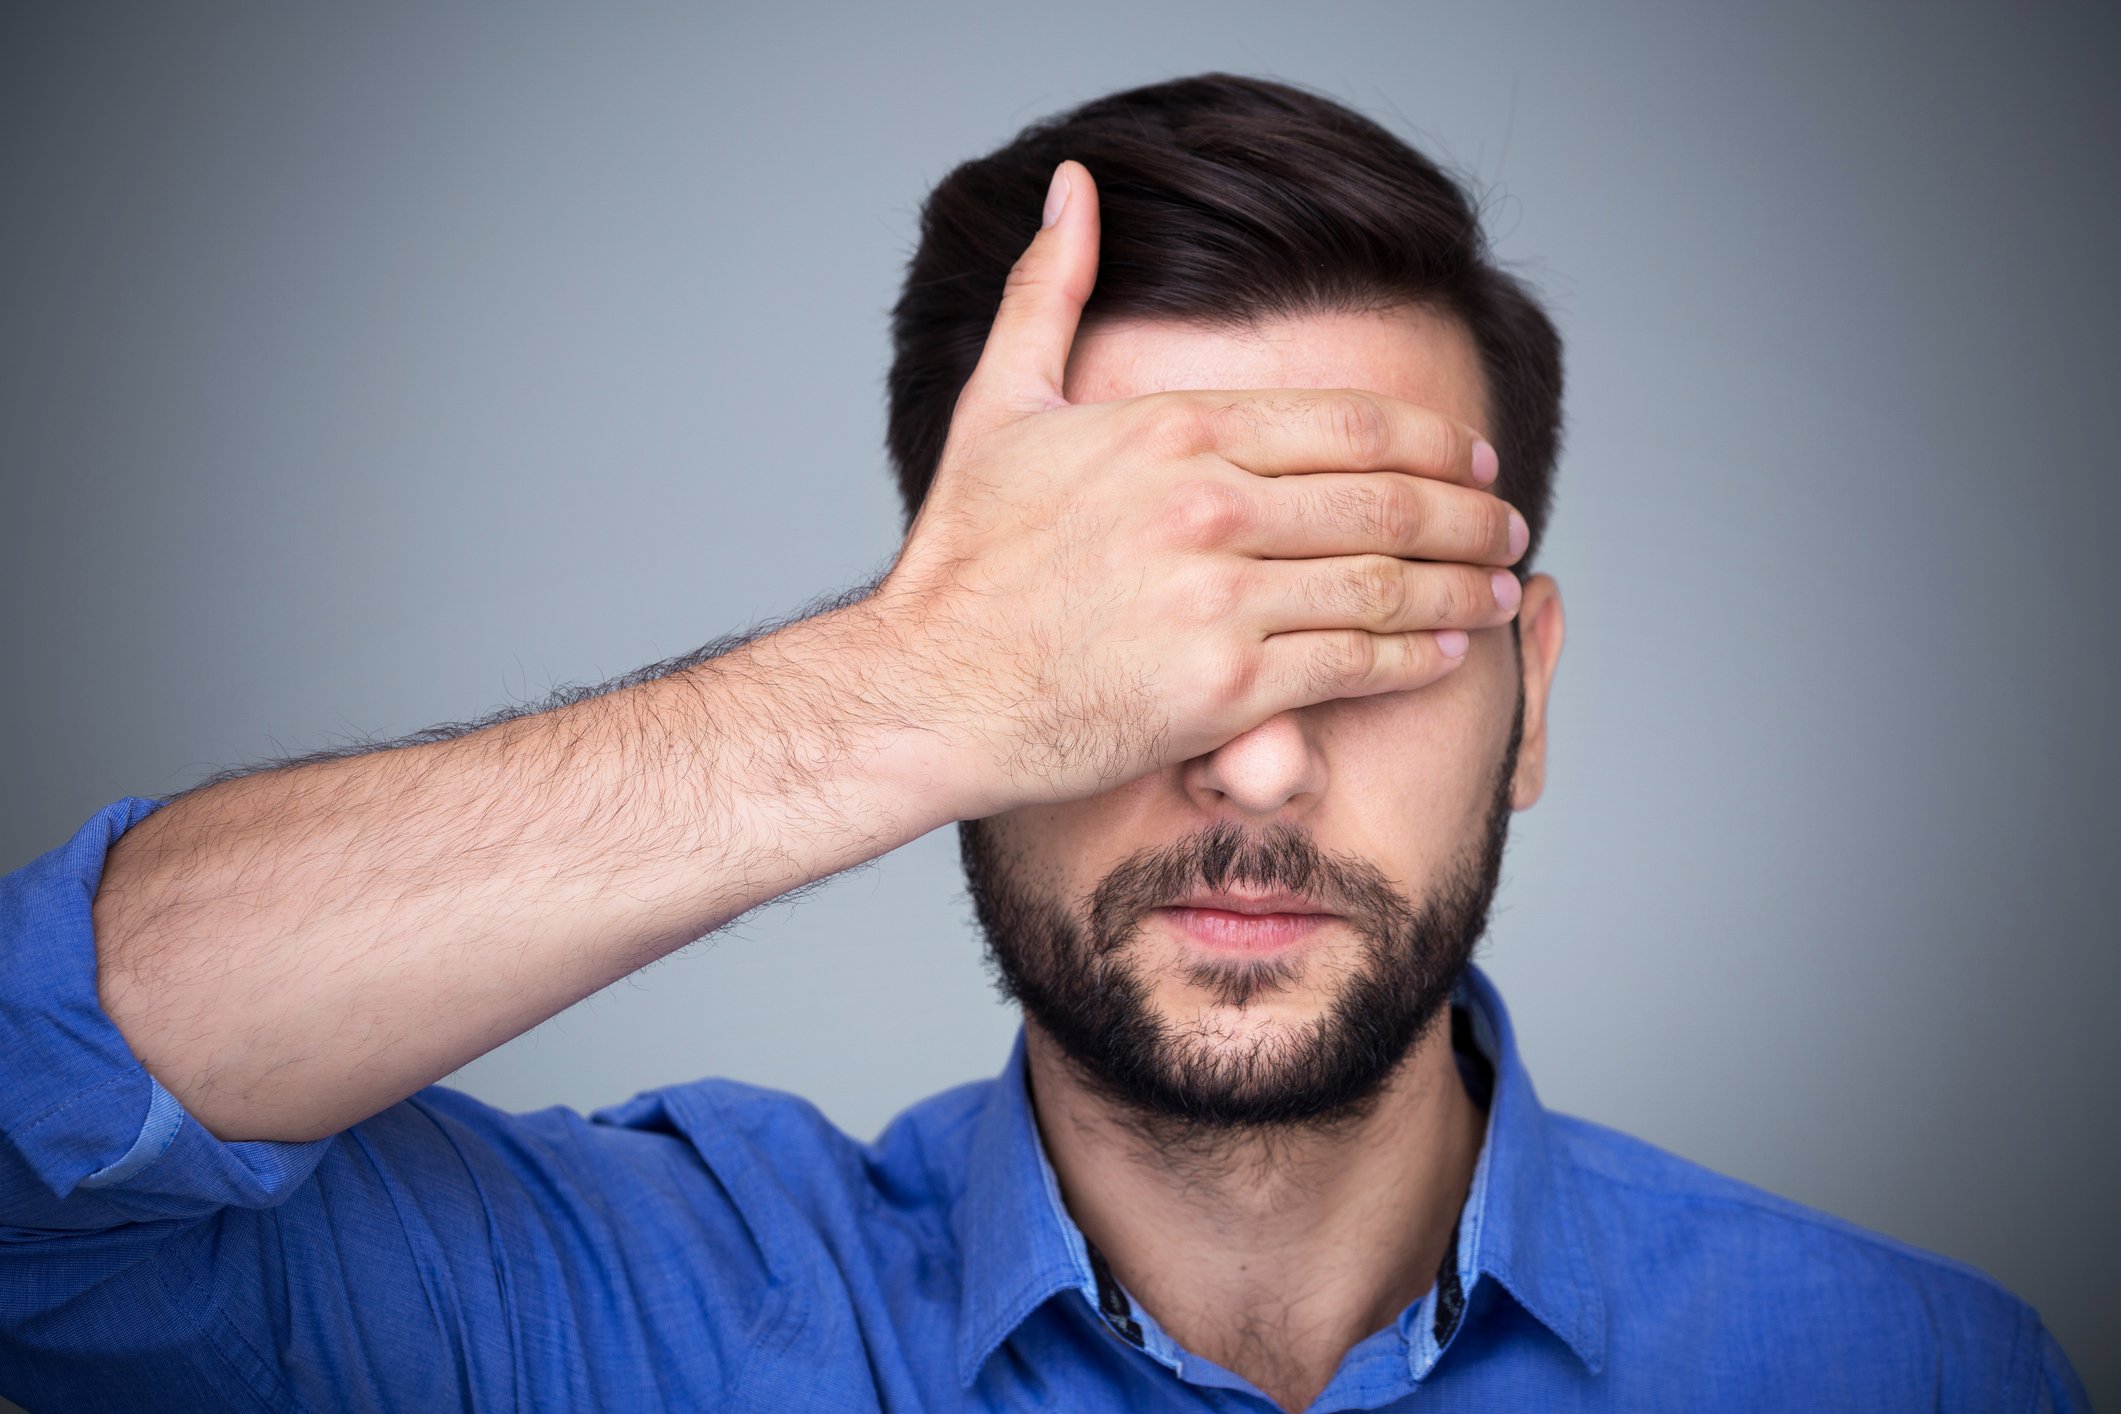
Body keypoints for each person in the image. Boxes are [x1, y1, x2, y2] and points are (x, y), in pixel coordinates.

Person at [0, 72, 2087, 1413]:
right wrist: (903, 689)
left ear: (1527, 691)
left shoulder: (1915, 1372)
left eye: (1368, 620)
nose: (1254, 766)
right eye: (1134, 634)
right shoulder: (615, 1322)